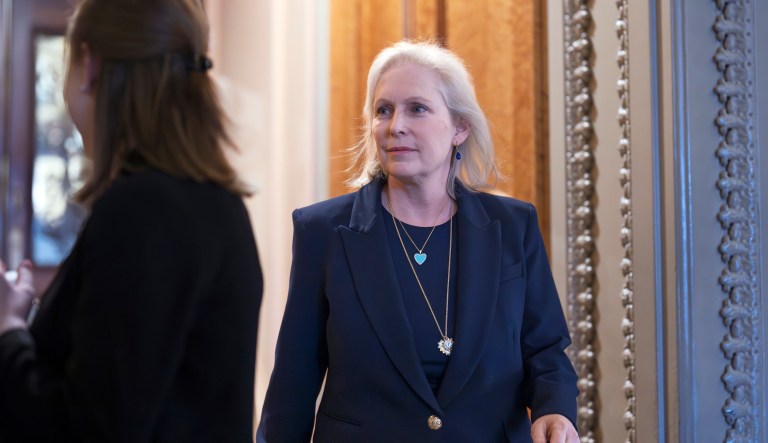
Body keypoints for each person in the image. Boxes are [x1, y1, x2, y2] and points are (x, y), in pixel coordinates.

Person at [257, 40, 578, 442]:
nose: (396, 127)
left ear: (460, 127)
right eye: (383, 110)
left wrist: (556, 410)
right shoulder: (322, 230)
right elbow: (295, 375)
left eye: (417, 108)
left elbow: (545, 349)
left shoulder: (513, 226)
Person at [0, 1, 263, 441]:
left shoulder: (143, 212)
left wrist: (7, 332)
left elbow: (88, 428)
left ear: (89, 67)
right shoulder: (221, 206)